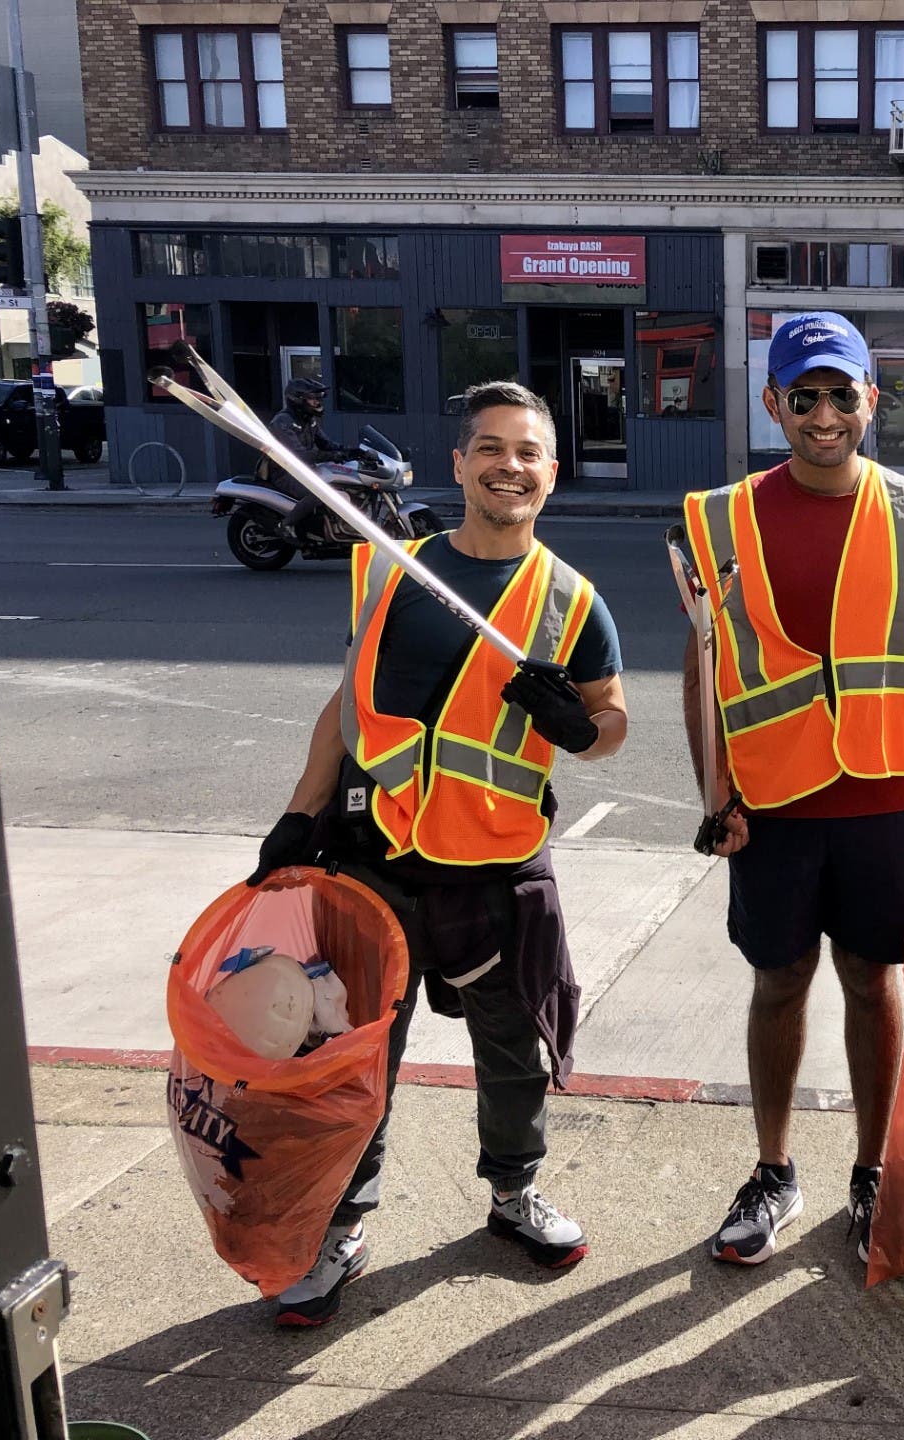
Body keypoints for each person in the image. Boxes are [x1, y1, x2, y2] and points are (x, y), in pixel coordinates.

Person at [248, 380, 629, 1327]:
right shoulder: (391, 571)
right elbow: (347, 702)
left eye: (529, 452)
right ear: (459, 464)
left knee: (514, 1052)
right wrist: (297, 817)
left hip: (497, 869)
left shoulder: (573, 601)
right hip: (375, 862)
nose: (511, 466)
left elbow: (615, 721)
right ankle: (343, 1222)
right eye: (491, 448)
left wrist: (578, 730)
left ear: (551, 471)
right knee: (356, 1054)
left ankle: (512, 1194)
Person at [679, 312, 904, 1269]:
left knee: (875, 982)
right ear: (774, 405)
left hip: (879, 801)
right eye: (804, 396)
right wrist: (717, 794)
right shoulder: (718, 518)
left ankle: (871, 1173)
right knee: (778, 982)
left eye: (841, 393)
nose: (823, 414)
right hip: (772, 807)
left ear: (873, 397)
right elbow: (702, 668)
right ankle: (774, 1170)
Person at [262, 376, 354, 542]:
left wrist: (352, 452)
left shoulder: (308, 420)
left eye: (319, 399)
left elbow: (326, 444)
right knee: (321, 492)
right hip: (285, 473)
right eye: (313, 399)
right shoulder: (282, 422)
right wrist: (333, 456)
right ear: (297, 399)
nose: (318, 403)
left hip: (305, 470)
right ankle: (286, 525)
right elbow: (299, 455)